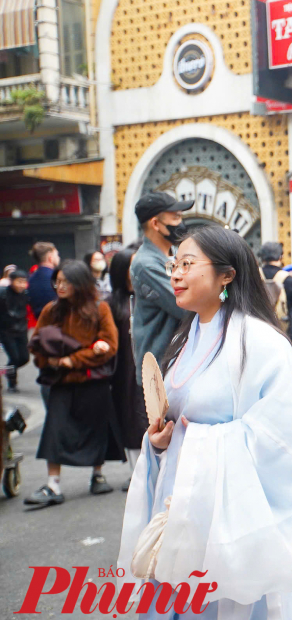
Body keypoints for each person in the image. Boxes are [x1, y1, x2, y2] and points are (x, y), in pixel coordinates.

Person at [117, 225, 292, 620]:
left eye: (187, 265)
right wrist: (158, 443)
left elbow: (284, 444)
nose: (174, 273)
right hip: (179, 506)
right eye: (174, 264)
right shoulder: (185, 338)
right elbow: (174, 421)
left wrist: (207, 443)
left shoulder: (262, 344)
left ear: (226, 275)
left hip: (230, 519)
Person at [25, 260, 121, 508]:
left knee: (96, 428)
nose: (59, 286)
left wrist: (73, 360)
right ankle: (53, 484)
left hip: (92, 380)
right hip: (60, 381)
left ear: (79, 282)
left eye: (65, 281)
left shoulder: (100, 309)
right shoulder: (50, 310)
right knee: (54, 430)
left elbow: (109, 346)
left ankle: (97, 475)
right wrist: (50, 361)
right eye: (57, 281)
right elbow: (36, 343)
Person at [130, 192, 193, 385]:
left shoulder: (174, 255)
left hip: (177, 364)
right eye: (175, 218)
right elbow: (183, 306)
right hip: (160, 370)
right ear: (155, 224)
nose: (180, 224)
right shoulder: (146, 265)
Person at [106, 248, 147, 492]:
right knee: (130, 420)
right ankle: (136, 472)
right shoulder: (112, 303)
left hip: (150, 366)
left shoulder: (150, 297)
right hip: (124, 371)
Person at [0, 270, 30, 392]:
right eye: (19, 282)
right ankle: (12, 382)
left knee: (24, 358)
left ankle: (5, 371)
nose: (22, 285)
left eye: (24, 282)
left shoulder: (26, 293)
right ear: (11, 281)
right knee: (15, 358)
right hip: (6, 331)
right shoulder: (3, 294)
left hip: (21, 329)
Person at [27, 242, 60, 319]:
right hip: (58, 321)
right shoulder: (57, 277)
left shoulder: (31, 279)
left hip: (39, 322)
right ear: (50, 258)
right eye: (57, 255)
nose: (59, 258)